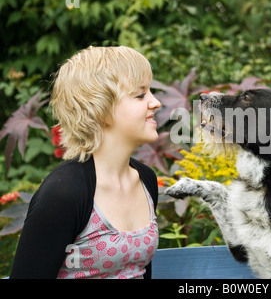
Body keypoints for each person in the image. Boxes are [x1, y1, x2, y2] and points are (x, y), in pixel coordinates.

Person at [10, 46, 162, 279]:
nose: (155, 102)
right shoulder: (65, 193)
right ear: (101, 109)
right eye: (140, 95)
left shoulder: (145, 180)